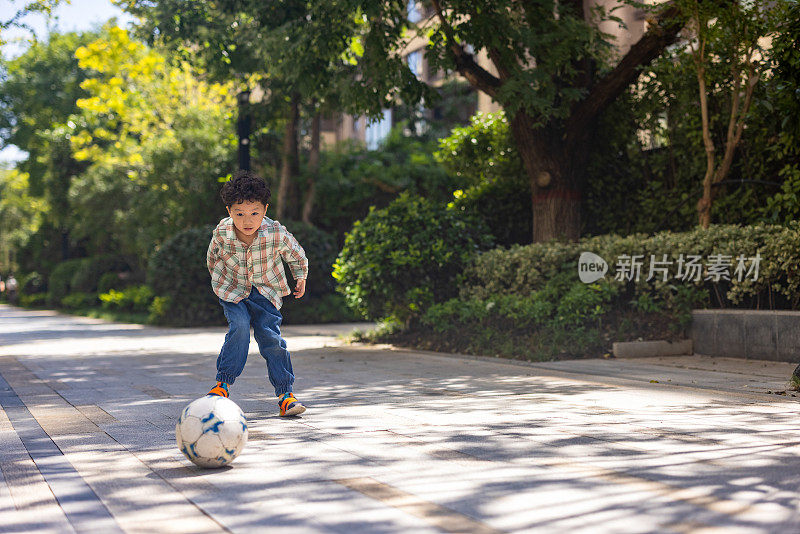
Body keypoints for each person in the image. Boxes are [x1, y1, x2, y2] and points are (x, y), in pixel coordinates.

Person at [205, 170, 309, 416]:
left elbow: (296, 253)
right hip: (233, 290)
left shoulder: (275, 232)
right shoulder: (222, 232)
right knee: (239, 327)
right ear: (229, 211)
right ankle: (222, 385)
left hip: (266, 292)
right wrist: (219, 280)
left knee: (271, 338)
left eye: (255, 213)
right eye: (239, 214)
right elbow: (212, 258)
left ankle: (286, 395)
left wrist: (301, 276)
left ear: (265, 209)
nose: (247, 220)